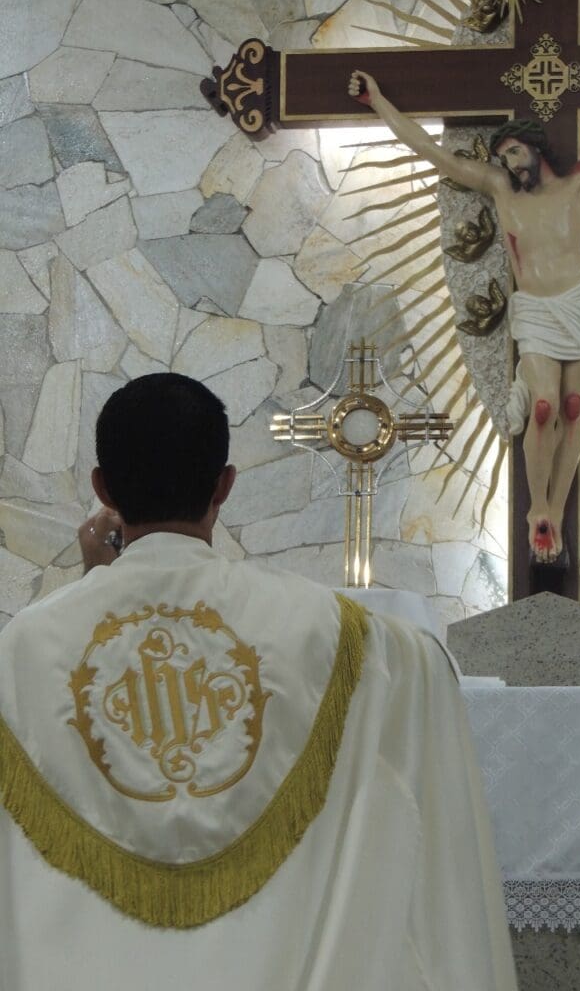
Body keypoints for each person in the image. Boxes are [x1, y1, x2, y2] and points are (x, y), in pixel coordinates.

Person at [0, 372, 517, 991]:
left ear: (102, 487)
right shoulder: (351, 641)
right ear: (225, 484)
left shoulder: (21, 650)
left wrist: (94, 589)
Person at [349, 59, 580, 563]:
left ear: (535, 146)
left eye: (514, 151)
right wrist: (378, 103)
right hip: (534, 310)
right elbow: (429, 149)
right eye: (503, 157)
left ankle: (555, 510)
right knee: (544, 406)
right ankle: (538, 510)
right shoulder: (498, 188)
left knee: (573, 408)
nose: (510, 163)